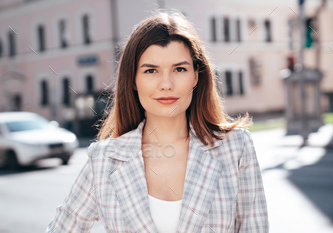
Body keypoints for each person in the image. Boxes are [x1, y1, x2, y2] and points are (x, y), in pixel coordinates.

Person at [46, 9, 269, 233]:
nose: (166, 84)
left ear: (196, 76)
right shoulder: (105, 160)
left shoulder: (236, 148)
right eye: (151, 70)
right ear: (133, 80)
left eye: (179, 69)